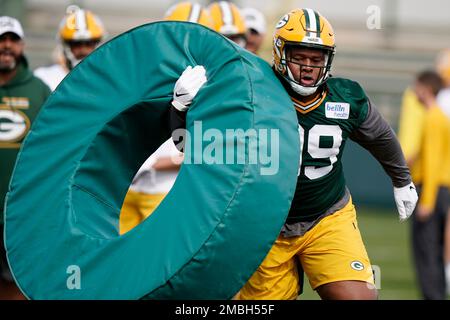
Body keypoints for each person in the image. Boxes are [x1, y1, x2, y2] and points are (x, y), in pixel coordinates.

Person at [168, 8, 418, 300]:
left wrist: (401, 180)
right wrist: (179, 110)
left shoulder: (346, 97)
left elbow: (381, 137)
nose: (309, 66)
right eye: (300, 57)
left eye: (317, 59)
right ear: (280, 52)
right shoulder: (251, 92)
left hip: (326, 216)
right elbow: (191, 149)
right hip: (264, 225)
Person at [119, 1, 215, 234]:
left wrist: (158, 163)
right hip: (129, 186)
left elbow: (210, 150)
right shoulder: (147, 72)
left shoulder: (214, 84)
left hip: (170, 190)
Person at [0, 16, 51, 299]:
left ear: (22, 45)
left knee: (20, 280)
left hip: (22, 207)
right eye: (1, 39)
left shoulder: (39, 89)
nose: (6, 46)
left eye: (12, 39)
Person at [407, 70, 450, 300]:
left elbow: (433, 163)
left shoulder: (433, 119)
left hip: (431, 191)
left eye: (416, 85)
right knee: (435, 250)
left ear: (425, 88)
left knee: (426, 250)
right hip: (443, 191)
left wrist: (426, 201)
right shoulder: (440, 117)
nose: (413, 90)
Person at [34, 5, 105, 91]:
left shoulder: (108, 78)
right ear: (65, 45)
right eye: (76, 44)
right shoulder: (44, 78)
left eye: (89, 43)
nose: (83, 49)